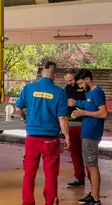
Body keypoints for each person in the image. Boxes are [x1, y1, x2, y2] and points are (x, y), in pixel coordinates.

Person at [14, 61, 70, 205]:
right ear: (55, 75)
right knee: (51, 175)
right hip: (50, 140)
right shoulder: (59, 92)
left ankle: (27, 202)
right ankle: (50, 202)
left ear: (41, 73)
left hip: (32, 138)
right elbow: (62, 117)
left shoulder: (28, 88)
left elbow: (18, 109)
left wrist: (26, 118)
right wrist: (67, 137)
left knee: (29, 174)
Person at [70, 69, 108, 205]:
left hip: (92, 133)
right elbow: (89, 105)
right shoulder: (89, 93)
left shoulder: (97, 92)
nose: (80, 86)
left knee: (92, 166)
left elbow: (103, 113)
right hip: (87, 131)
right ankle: (92, 194)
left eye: (80, 83)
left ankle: (96, 199)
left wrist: (84, 113)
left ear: (87, 79)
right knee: (89, 165)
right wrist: (77, 104)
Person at [64, 69, 88, 188]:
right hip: (71, 123)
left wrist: (76, 102)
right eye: (67, 81)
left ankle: (92, 177)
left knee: (87, 152)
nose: (70, 83)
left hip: (84, 123)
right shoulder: (67, 88)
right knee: (75, 152)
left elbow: (91, 102)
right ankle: (79, 177)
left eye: (71, 80)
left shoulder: (84, 88)